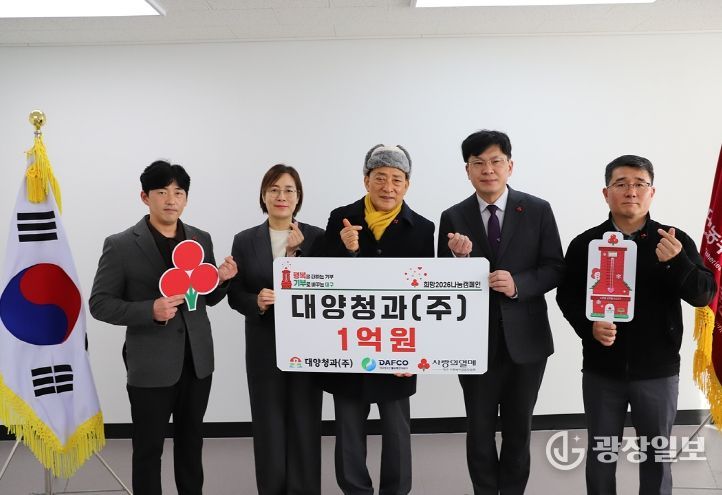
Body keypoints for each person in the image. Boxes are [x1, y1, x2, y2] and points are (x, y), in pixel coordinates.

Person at [556, 155, 716, 495]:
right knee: (602, 454)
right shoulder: (586, 243)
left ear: (652, 192)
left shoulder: (673, 240)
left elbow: (703, 295)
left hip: (658, 370)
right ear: (606, 193)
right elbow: (566, 296)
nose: (631, 191)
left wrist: (677, 262)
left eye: (640, 184)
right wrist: (589, 326)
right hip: (602, 370)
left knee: (656, 455)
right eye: (621, 184)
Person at [89, 160, 237, 495]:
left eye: (178, 192)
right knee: (148, 448)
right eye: (162, 192)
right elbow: (99, 304)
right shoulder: (121, 244)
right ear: (145, 197)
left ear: (186, 198)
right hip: (150, 363)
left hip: (197, 362)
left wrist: (222, 279)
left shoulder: (200, 239)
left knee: (191, 444)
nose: (171, 200)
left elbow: (205, 298)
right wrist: (149, 310)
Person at [438, 130, 564, 495]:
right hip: (474, 343)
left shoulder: (537, 209)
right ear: (467, 170)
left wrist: (518, 284)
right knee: (478, 431)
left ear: (510, 166)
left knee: (518, 429)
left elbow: (555, 268)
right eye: (478, 163)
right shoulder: (453, 215)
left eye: (495, 161)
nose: (488, 170)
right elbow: (441, 282)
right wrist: (459, 259)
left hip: (527, 342)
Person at [322, 144, 434, 495]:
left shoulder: (423, 228)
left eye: (396, 179)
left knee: (397, 431)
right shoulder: (341, 217)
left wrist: (415, 351)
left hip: (398, 346)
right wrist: (346, 249)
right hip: (350, 344)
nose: (388, 187)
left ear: (407, 185)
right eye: (380, 177)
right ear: (366, 180)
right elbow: (322, 278)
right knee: (348, 432)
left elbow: (424, 293)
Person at [227, 164, 325, 495]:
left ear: (298, 198)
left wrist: (296, 255)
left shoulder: (316, 237)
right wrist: (255, 301)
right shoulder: (245, 240)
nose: (281, 196)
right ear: (263, 196)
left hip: (307, 345)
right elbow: (235, 294)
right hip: (263, 343)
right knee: (267, 423)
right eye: (274, 190)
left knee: (305, 422)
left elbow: (326, 289)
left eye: (288, 190)